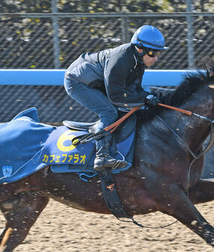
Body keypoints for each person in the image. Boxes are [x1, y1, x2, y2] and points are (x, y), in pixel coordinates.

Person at [64, 25, 168, 171]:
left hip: (96, 82)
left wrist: (149, 96)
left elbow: (134, 91)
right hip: (76, 82)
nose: (156, 58)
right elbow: (116, 96)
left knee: (125, 111)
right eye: (152, 53)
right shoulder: (120, 59)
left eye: (158, 53)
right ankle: (102, 156)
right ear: (140, 49)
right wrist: (145, 98)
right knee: (109, 112)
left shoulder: (138, 62)